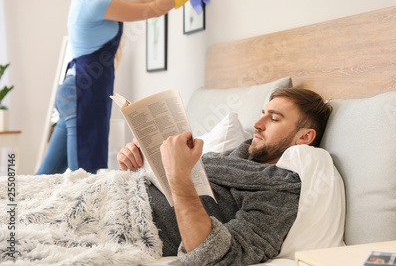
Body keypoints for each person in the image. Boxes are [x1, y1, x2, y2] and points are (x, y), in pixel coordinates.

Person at [36, 0, 206, 175]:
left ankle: (16, 209)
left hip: (75, 92)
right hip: (84, 95)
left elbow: (143, 2)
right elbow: (151, 9)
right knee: (87, 177)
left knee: (46, 175)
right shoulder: (94, 4)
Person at [117, 87, 334, 265]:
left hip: (124, 226)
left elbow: (217, 256)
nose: (258, 124)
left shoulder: (279, 193)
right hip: (112, 197)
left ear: (304, 136)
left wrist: (178, 175)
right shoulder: (227, 159)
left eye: (274, 119)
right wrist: (134, 166)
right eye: (263, 113)